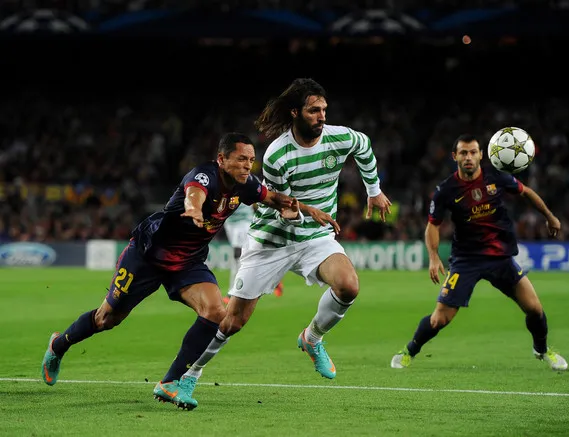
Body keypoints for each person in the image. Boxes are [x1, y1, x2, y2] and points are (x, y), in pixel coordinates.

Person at [41, 132, 302, 410]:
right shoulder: (204, 176)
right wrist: (194, 209)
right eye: (241, 159)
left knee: (216, 312)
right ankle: (58, 345)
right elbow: (193, 195)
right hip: (149, 255)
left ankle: (170, 382)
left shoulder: (246, 184)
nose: (248, 165)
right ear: (222, 159)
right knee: (107, 318)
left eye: (251, 159)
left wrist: (302, 209)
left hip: (187, 262)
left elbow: (273, 198)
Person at [176, 77, 392, 406]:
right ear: (295, 112)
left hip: (315, 236)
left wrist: (373, 191)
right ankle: (189, 376)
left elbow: (363, 146)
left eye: (324, 109)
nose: (321, 116)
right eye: (313, 110)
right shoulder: (278, 154)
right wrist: (303, 213)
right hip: (272, 240)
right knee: (233, 321)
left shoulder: (340, 137)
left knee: (348, 285)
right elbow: (281, 207)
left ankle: (312, 338)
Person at [390, 133, 568, 371]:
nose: (468, 157)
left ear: (481, 155)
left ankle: (542, 350)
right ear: (455, 156)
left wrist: (549, 216)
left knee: (535, 309)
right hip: (466, 260)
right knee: (439, 319)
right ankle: (409, 351)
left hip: (500, 258)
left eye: (473, 152)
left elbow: (525, 192)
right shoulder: (446, 190)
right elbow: (432, 225)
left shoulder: (497, 177)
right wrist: (433, 257)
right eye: (463, 153)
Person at [222, 202, 283, 304]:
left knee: (238, 255)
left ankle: (232, 292)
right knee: (250, 256)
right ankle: (274, 279)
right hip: (229, 222)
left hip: (243, 221)